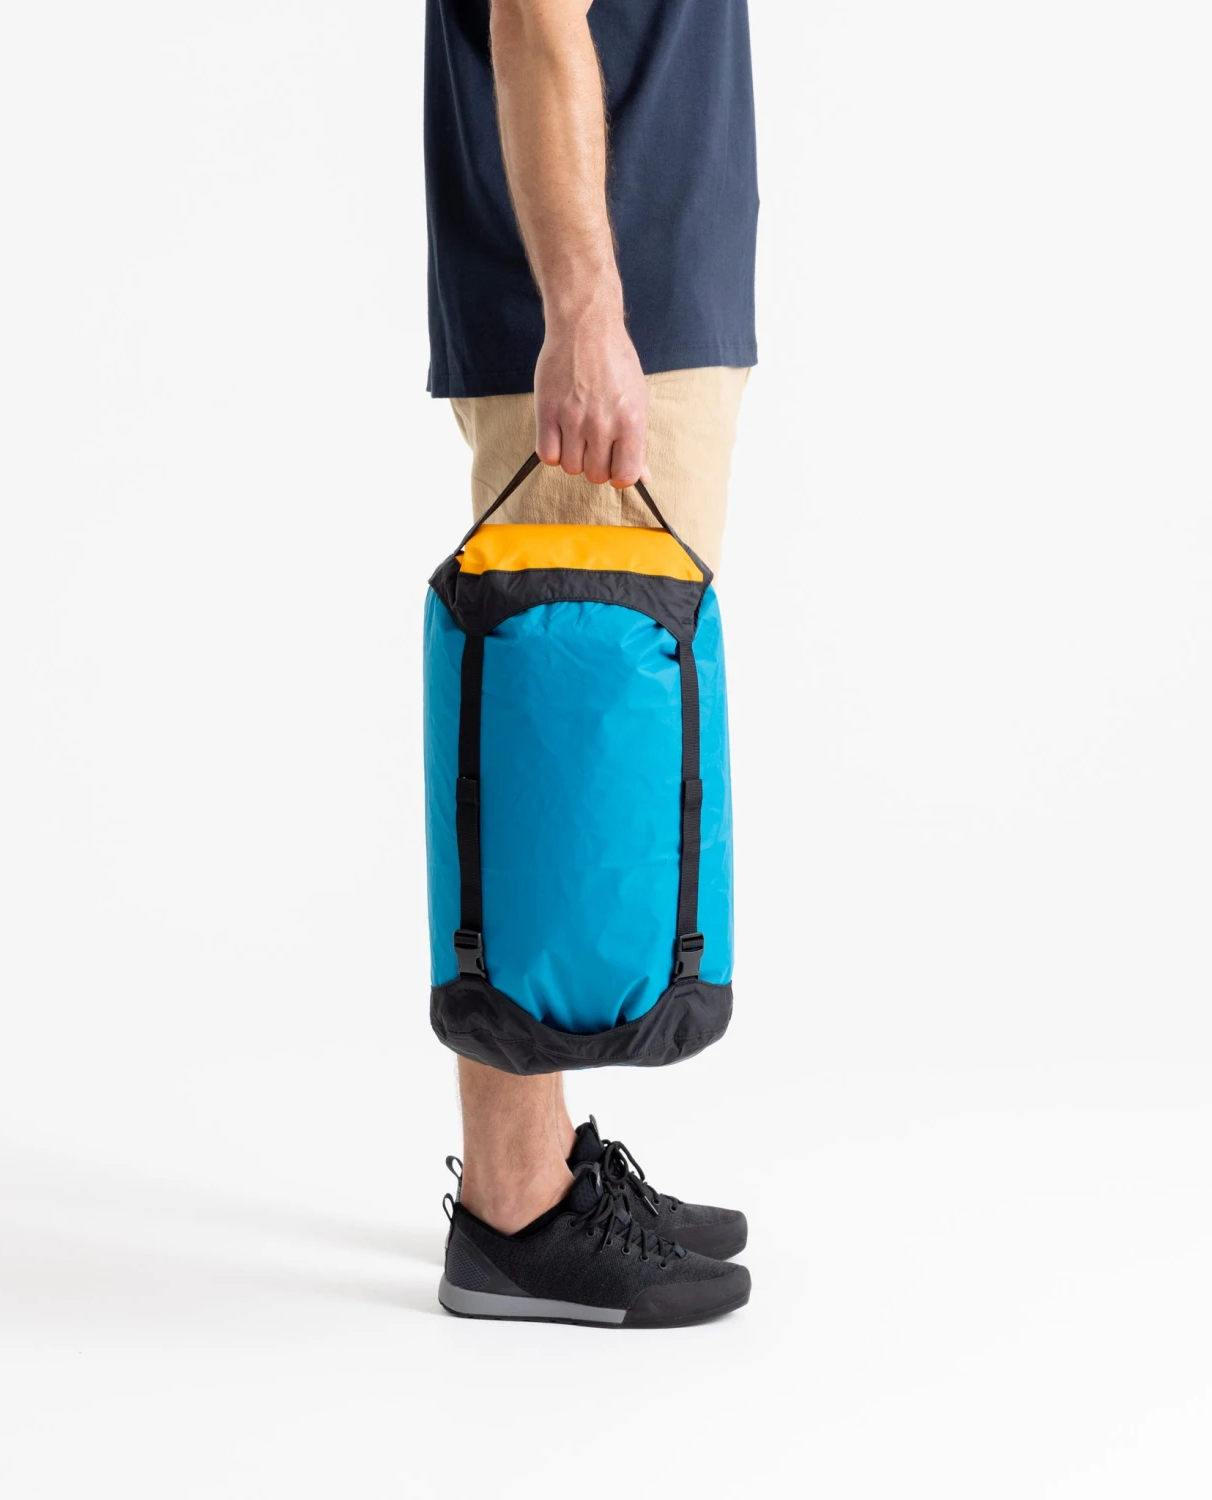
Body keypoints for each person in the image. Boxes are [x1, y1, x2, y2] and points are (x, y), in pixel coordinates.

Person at [424, 0, 758, 1326]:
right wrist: (585, 308)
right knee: (557, 750)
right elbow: (532, 16)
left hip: (644, 295)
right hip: (605, 316)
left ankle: (542, 1165)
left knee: (579, 753)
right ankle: (516, 1206)